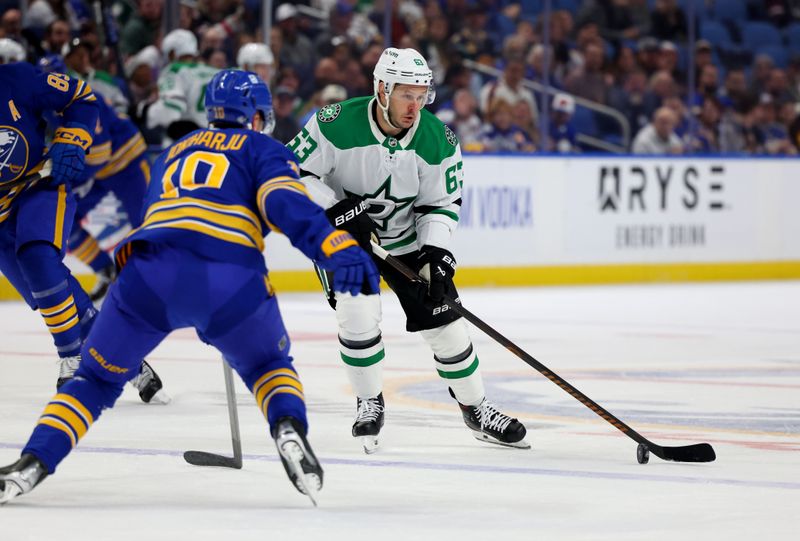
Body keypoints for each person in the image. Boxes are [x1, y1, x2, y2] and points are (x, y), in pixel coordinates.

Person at [0, 69, 380, 505]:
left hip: (146, 275)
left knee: (93, 381)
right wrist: (336, 247)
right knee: (268, 367)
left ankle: (32, 463)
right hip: (228, 277)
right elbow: (283, 204)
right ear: (256, 115)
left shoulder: (175, 150)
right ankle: (288, 428)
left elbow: (155, 218)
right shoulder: (261, 147)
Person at [287, 47, 529, 454]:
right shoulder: (336, 124)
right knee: (358, 315)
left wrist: (436, 253)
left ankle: (477, 408)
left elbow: (441, 204)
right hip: (346, 241)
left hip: (409, 243)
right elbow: (293, 172)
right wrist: (335, 209)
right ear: (381, 90)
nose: (414, 105)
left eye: (421, 95)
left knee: (447, 326)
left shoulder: (437, 139)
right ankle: (369, 402)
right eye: (406, 94)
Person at [37, 55, 168, 405]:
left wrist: (76, 177)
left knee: (147, 222)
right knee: (70, 218)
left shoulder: (77, 97)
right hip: (94, 171)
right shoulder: (43, 103)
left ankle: (159, 276)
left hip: (124, 162)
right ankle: (104, 268)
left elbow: (102, 149)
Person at [0, 59, 99, 389]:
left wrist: (72, 137)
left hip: (38, 184)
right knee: (46, 289)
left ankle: (72, 360)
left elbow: (81, 97)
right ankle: (112, 348)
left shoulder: (19, 79)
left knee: (37, 257)